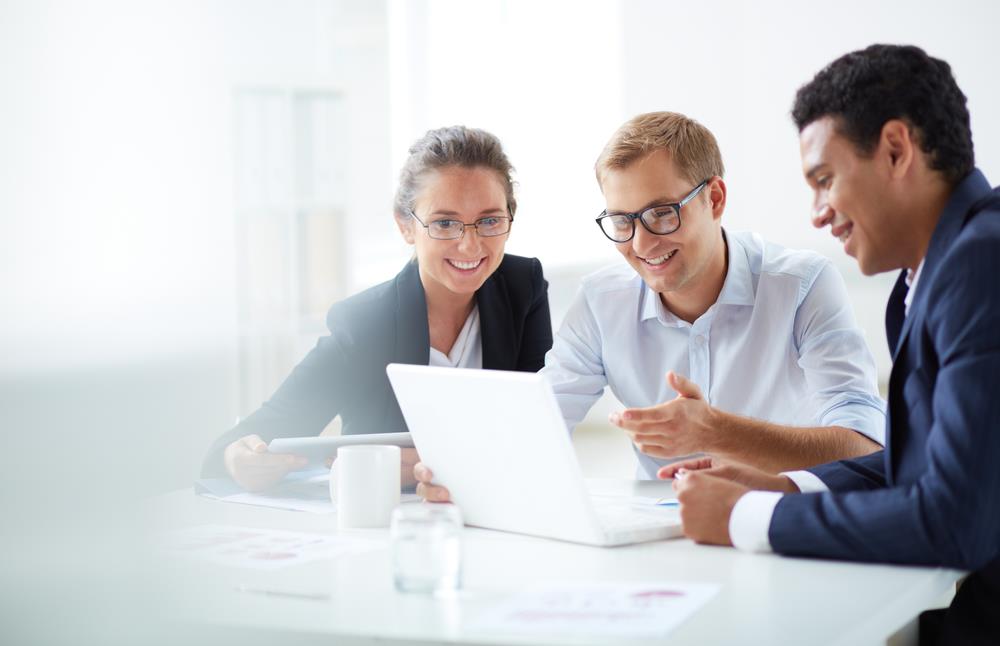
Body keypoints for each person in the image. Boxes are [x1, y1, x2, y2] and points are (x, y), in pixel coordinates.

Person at [663, 44, 1000, 645]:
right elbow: (927, 469)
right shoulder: (927, 277)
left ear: (896, 150)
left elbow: (956, 522)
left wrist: (744, 518)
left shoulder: (981, 264)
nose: (817, 215)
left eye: (824, 181)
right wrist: (785, 484)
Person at [415, 111, 885, 501]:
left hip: (784, 525)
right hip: (662, 534)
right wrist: (455, 474)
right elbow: (539, 421)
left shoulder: (801, 286)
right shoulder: (603, 301)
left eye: (662, 213)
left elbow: (865, 447)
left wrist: (717, 432)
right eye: (622, 220)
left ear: (715, 199)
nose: (641, 243)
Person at [202, 125, 552, 492]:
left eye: (489, 220)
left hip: (495, 513)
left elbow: (539, 429)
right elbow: (258, 433)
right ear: (405, 225)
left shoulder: (521, 287)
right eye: (444, 223)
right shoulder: (366, 324)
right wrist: (236, 458)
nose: (469, 244)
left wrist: (442, 461)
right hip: (387, 524)